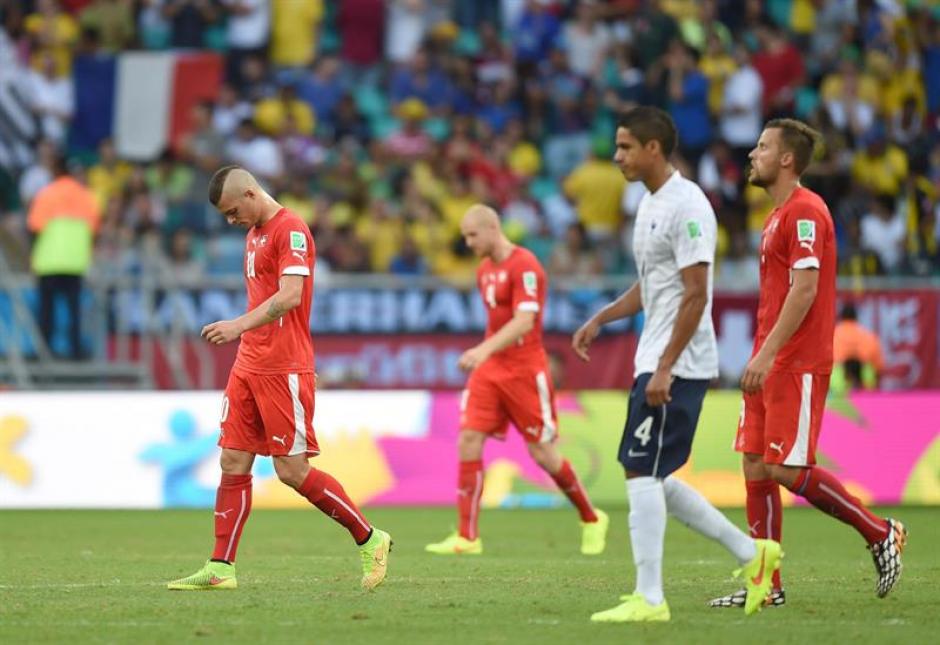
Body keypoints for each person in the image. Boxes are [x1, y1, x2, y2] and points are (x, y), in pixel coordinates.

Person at [573, 107, 781, 623]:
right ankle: (752, 554)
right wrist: (602, 316)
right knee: (649, 472)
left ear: (653, 149)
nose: (617, 156)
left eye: (625, 147)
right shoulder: (649, 203)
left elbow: (695, 293)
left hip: (679, 361)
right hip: (658, 355)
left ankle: (649, 599)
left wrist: (666, 366)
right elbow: (653, 285)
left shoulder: (689, 206)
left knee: (640, 468)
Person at [710, 119, 906, 610]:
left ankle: (879, 532)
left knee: (785, 467)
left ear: (786, 159)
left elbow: (805, 290)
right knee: (755, 463)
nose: (752, 154)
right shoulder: (775, 216)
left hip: (794, 360)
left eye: (762, 147)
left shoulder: (805, 211)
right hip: (769, 357)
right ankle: (766, 585)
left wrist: (767, 353)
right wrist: (762, 353)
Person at [166, 167, 391, 591]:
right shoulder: (254, 234)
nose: (231, 221)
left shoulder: (291, 230)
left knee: (291, 470)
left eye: (233, 211)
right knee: (232, 460)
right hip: (248, 366)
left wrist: (237, 325)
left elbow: (290, 296)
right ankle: (221, 567)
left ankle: (369, 537)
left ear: (251, 193)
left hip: (282, 367)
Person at [425, 204, 609, 556]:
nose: (468, 242)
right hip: (491, 370)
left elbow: (525, 321)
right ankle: (467, 537)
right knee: (468, 439)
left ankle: (591, 518)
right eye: (465, 236)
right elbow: (498, 321)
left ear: (493, 229)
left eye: (472, 235)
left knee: (542, 453)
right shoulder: (484, 270)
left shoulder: (525, 265)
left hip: (524, 370)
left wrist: (482, 349)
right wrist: (486, 354)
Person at [27, 155, 100, 360]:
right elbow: (94, 230)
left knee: (46, 310)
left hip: (49, 261)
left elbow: (34, 226)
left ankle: (44, 353)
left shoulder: (47, 193)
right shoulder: (86, 196)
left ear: (56, 171)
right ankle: (75, 351)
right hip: (75, 262)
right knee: (74, 310)